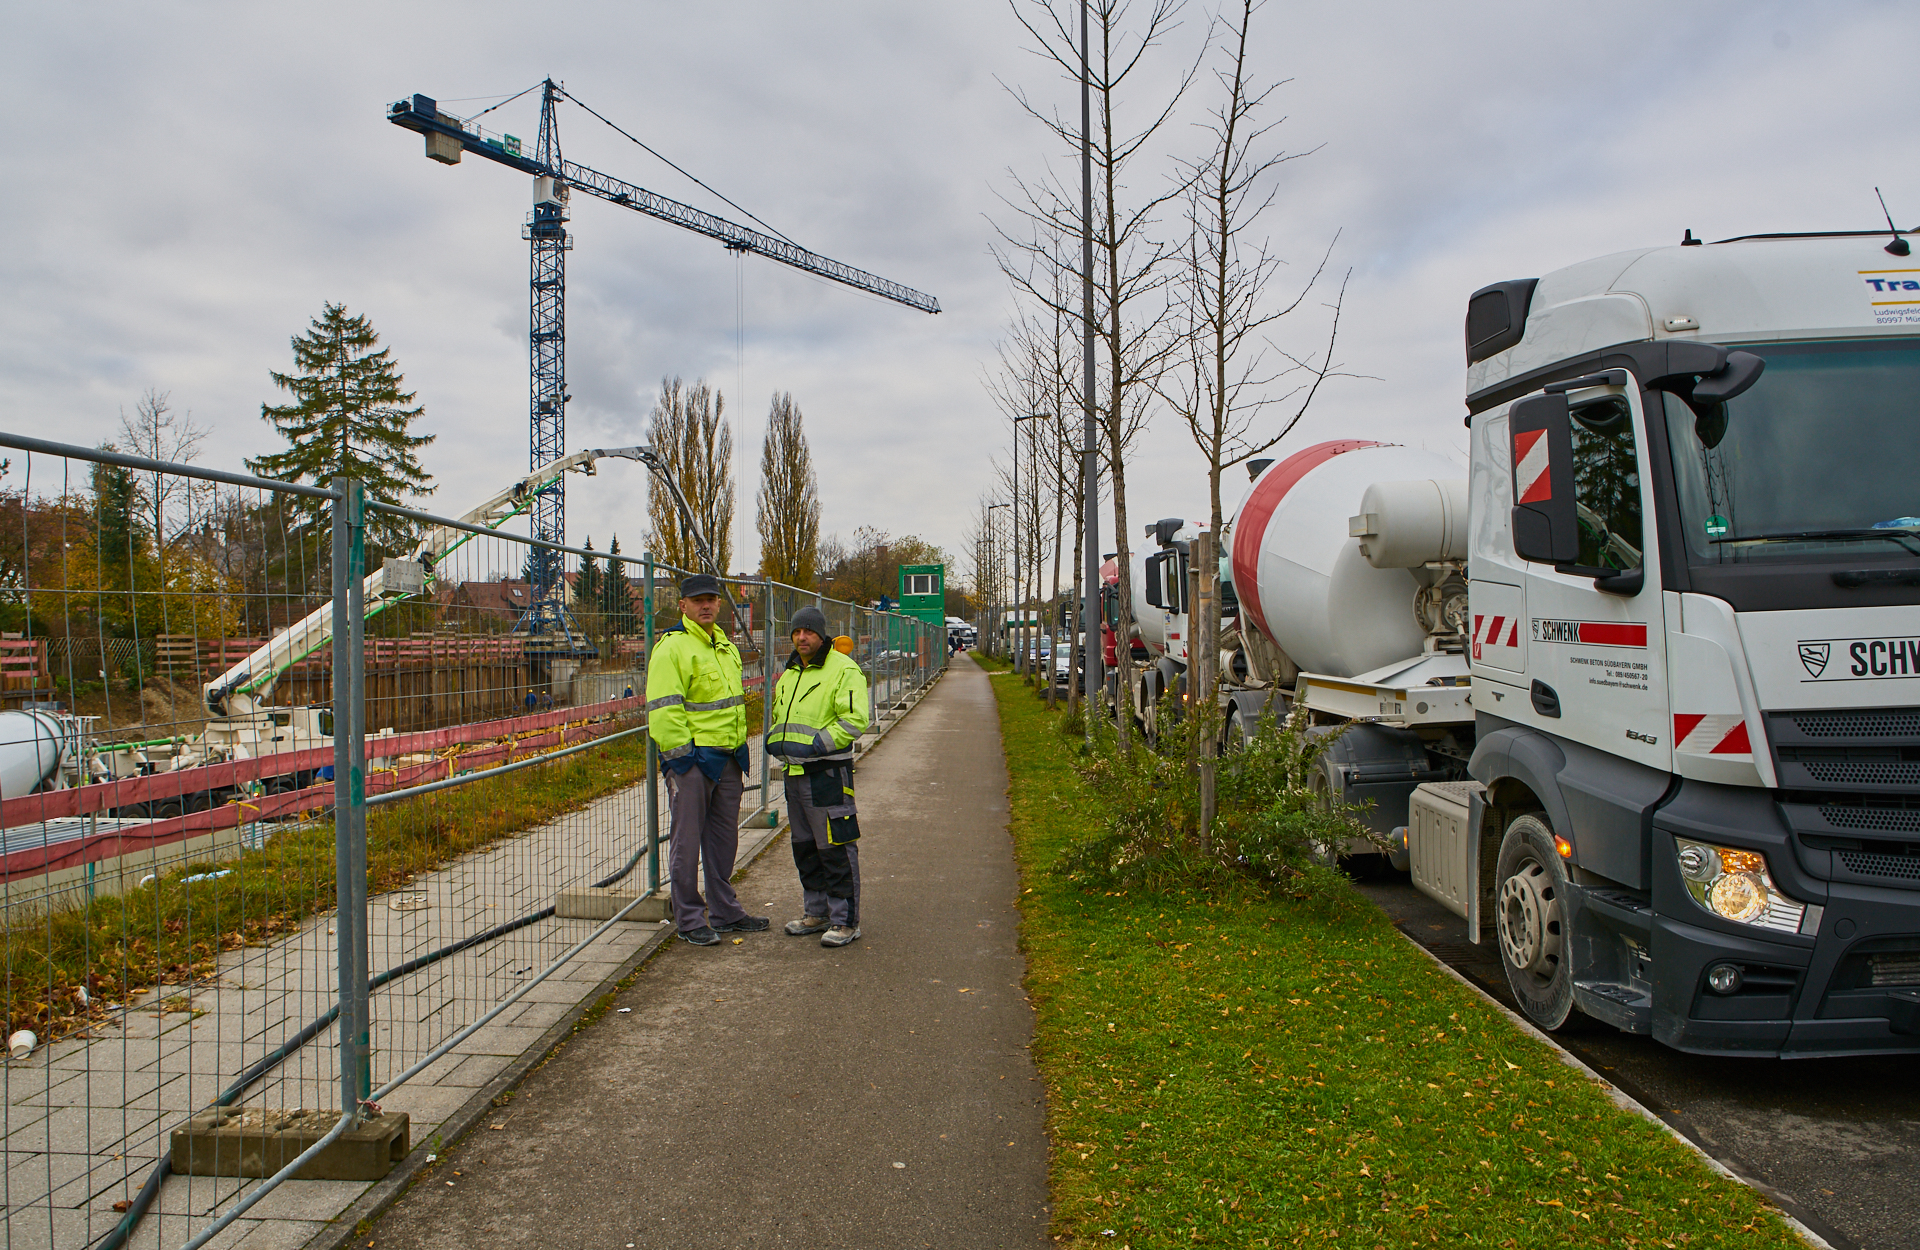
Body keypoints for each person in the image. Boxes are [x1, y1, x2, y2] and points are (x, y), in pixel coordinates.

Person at [645, 573, 769, 946]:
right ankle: (689, 918)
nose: (706, 605)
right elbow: (664, 711)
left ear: (719, 604)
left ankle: (725, 911)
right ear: (683, 605)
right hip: (694, 763)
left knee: (723, 840)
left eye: (711, 599)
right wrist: (684, 762)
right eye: (698, 600)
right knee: (687, 842)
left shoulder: (725, 647)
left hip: (729, 758)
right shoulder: (672, 648)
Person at [764, 606, 869, 947]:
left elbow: (854, 720)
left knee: (835, 847)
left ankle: (845, 921)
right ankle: (817, 911)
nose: (801, 638)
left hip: (826, 775)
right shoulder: (791, 672)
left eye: (808, 632)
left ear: (822, 634)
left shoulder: (843, 669)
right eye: (796, 632)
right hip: (794, 775)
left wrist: (814, 746)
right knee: (806, 849)